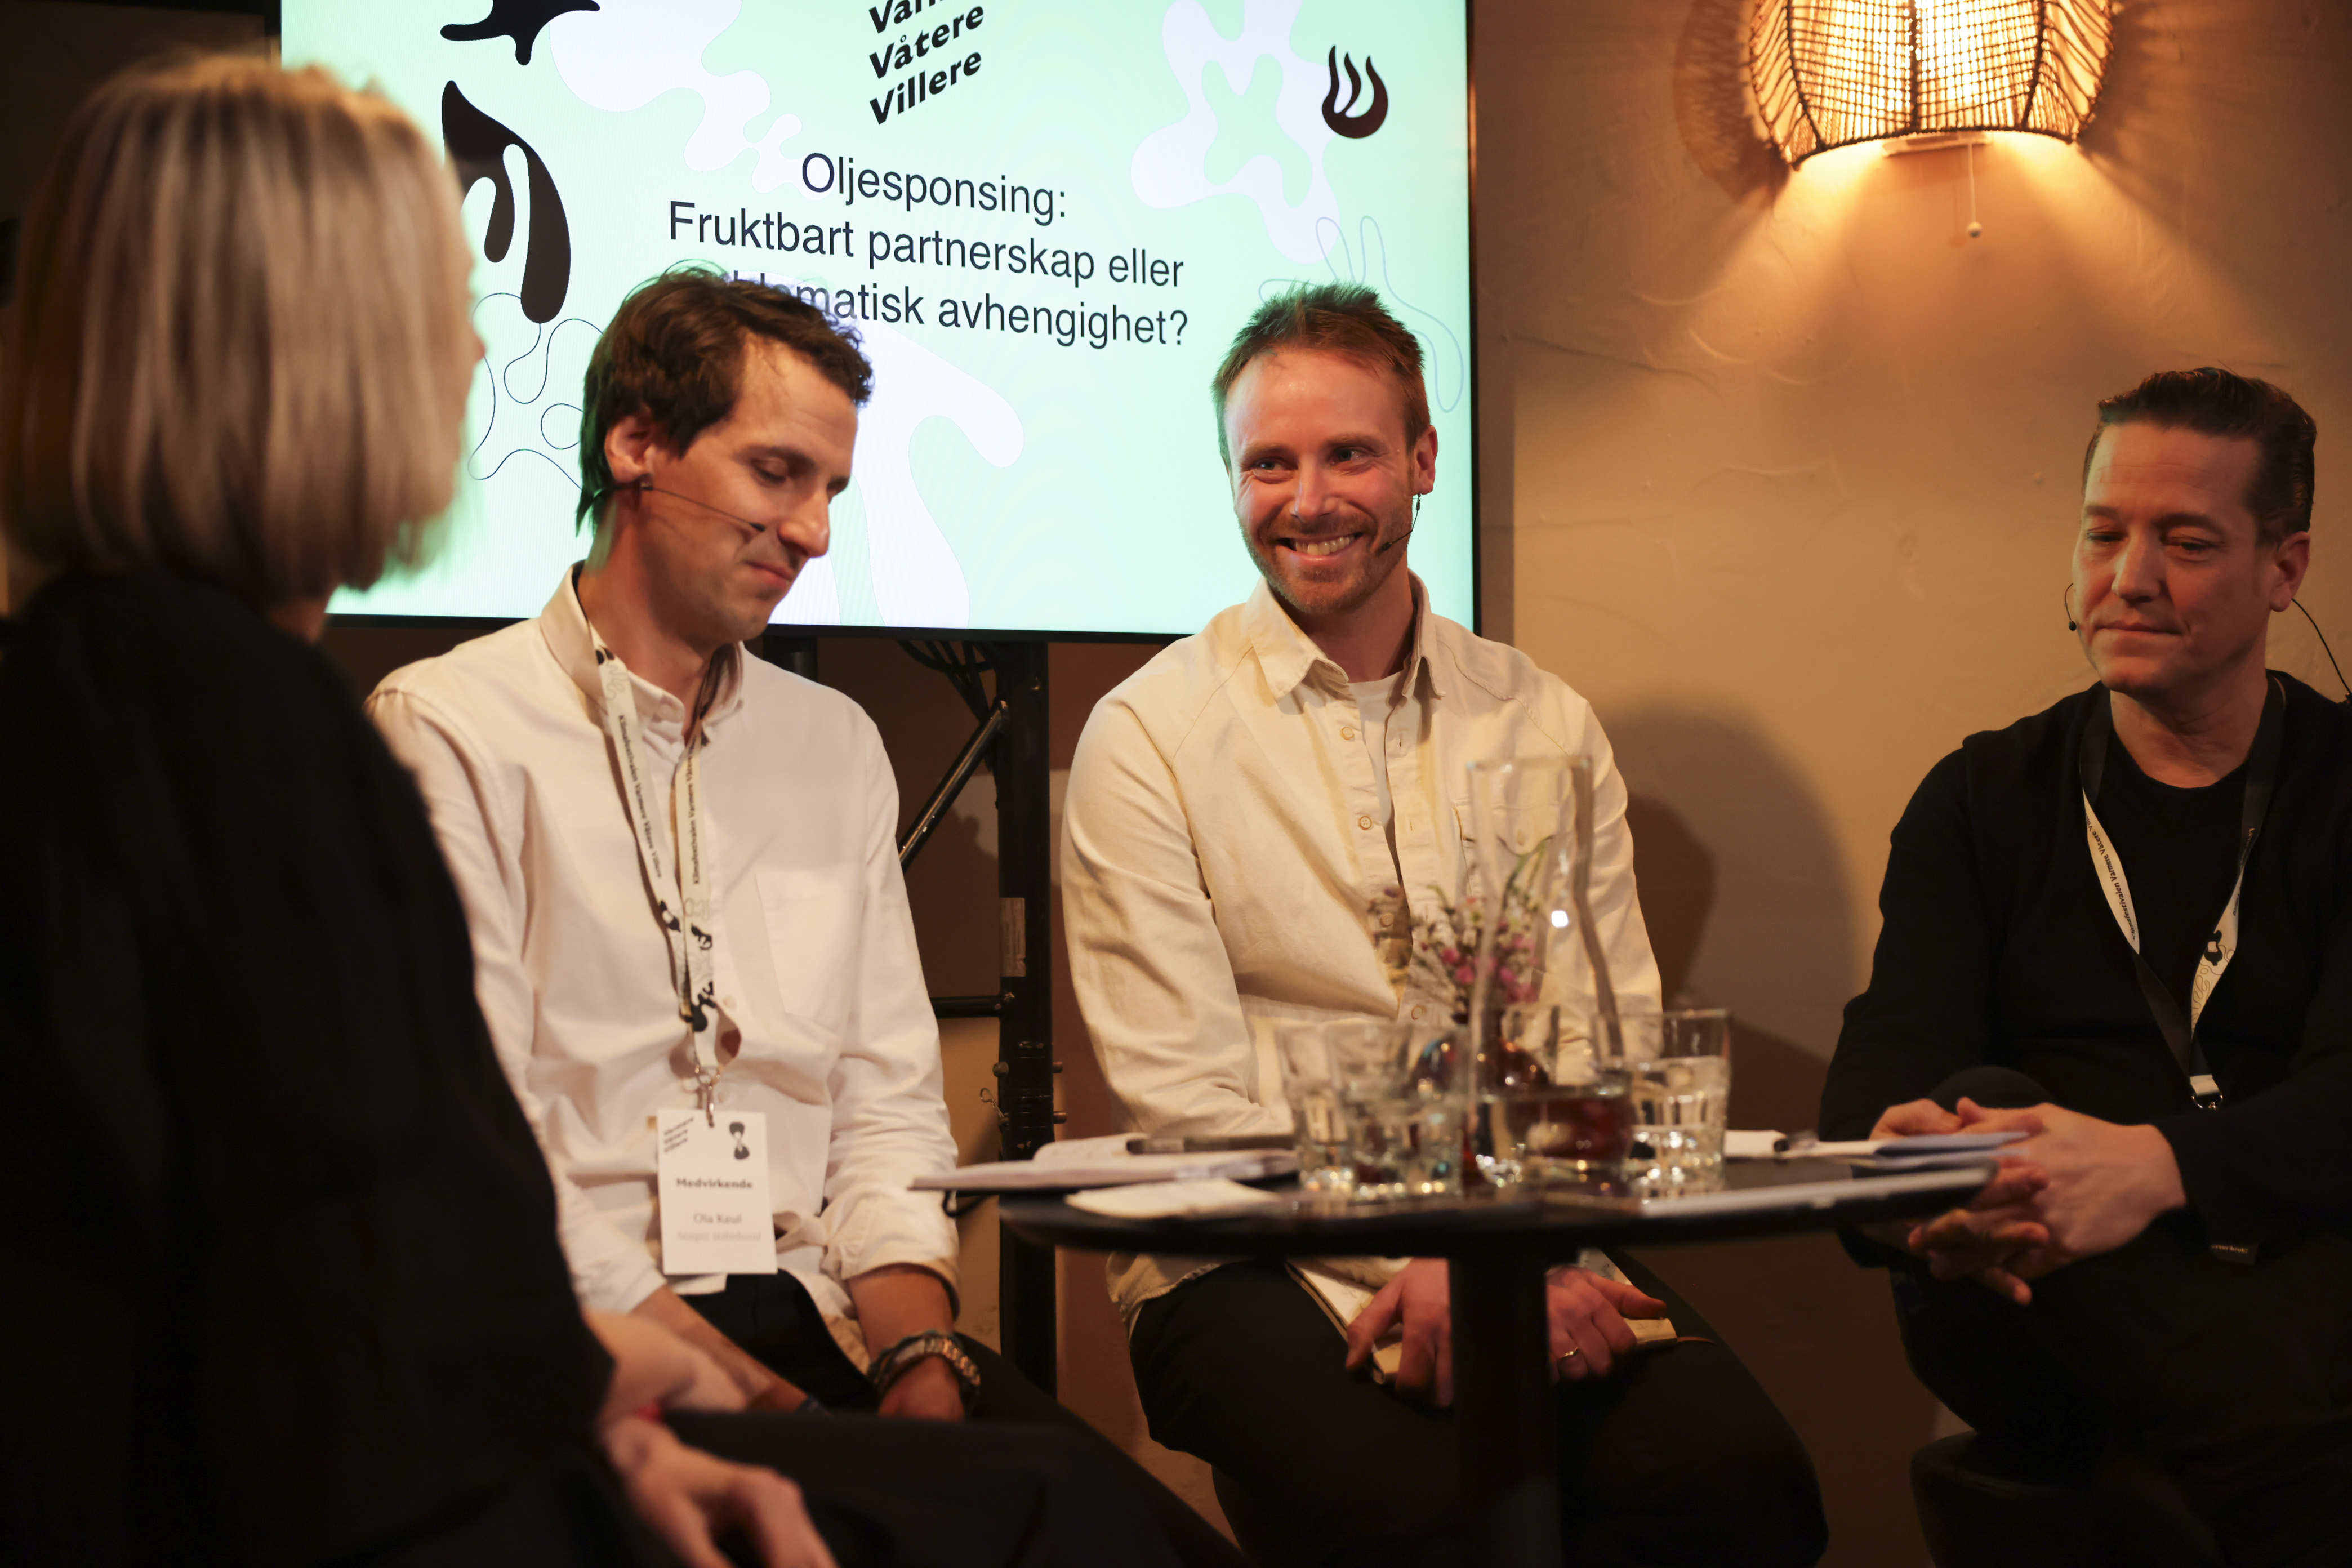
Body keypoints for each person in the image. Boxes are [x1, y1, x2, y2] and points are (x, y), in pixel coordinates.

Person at [0, 54, 1205, 1568]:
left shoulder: (114, 684)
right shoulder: (280, 732)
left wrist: (903, 1356)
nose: (463, 363)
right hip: (421, 1447)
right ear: (310, 356)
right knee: (1070, 1523)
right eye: (439, 310)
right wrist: (620, 1401)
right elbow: (370, 1262)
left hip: (487, 1397)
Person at [367, 266, 1239, 1565]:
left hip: (830, 1320)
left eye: (832, 488)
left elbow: (886, 1110)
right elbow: (488, 1155)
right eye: (780, 474)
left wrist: (925, 1360)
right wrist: (742, 1384)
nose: (818, 530)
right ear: (637, 443)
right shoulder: (449, 728)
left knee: (1142, 1534)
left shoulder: (833, 744)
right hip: (596, 1346)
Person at [1058, 282, 1828, 1567]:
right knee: (1431, 1534)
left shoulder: (1543, 720)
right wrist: (1426, 1253)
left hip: (1527, 1237)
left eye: (1350, 452)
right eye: (1269, 463)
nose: (1308, 499)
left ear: (1421, 460)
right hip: (1239, 1256)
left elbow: (1605, 1043)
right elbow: (1189, 1098)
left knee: (1747, 1491)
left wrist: (1507, 1256)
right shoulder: (1146, 737)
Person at [1820, 368, 2352, 1565]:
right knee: (1996, 1124)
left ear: (2286, 567)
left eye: (2188, 540)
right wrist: (1921, 1200)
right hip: (2025, 1292)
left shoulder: (2340, 786)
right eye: (2105, 533)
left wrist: (2158, 1166)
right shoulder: (1981, 798)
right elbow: (1870, 1099)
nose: (2131, 579)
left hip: (2301, 1265)